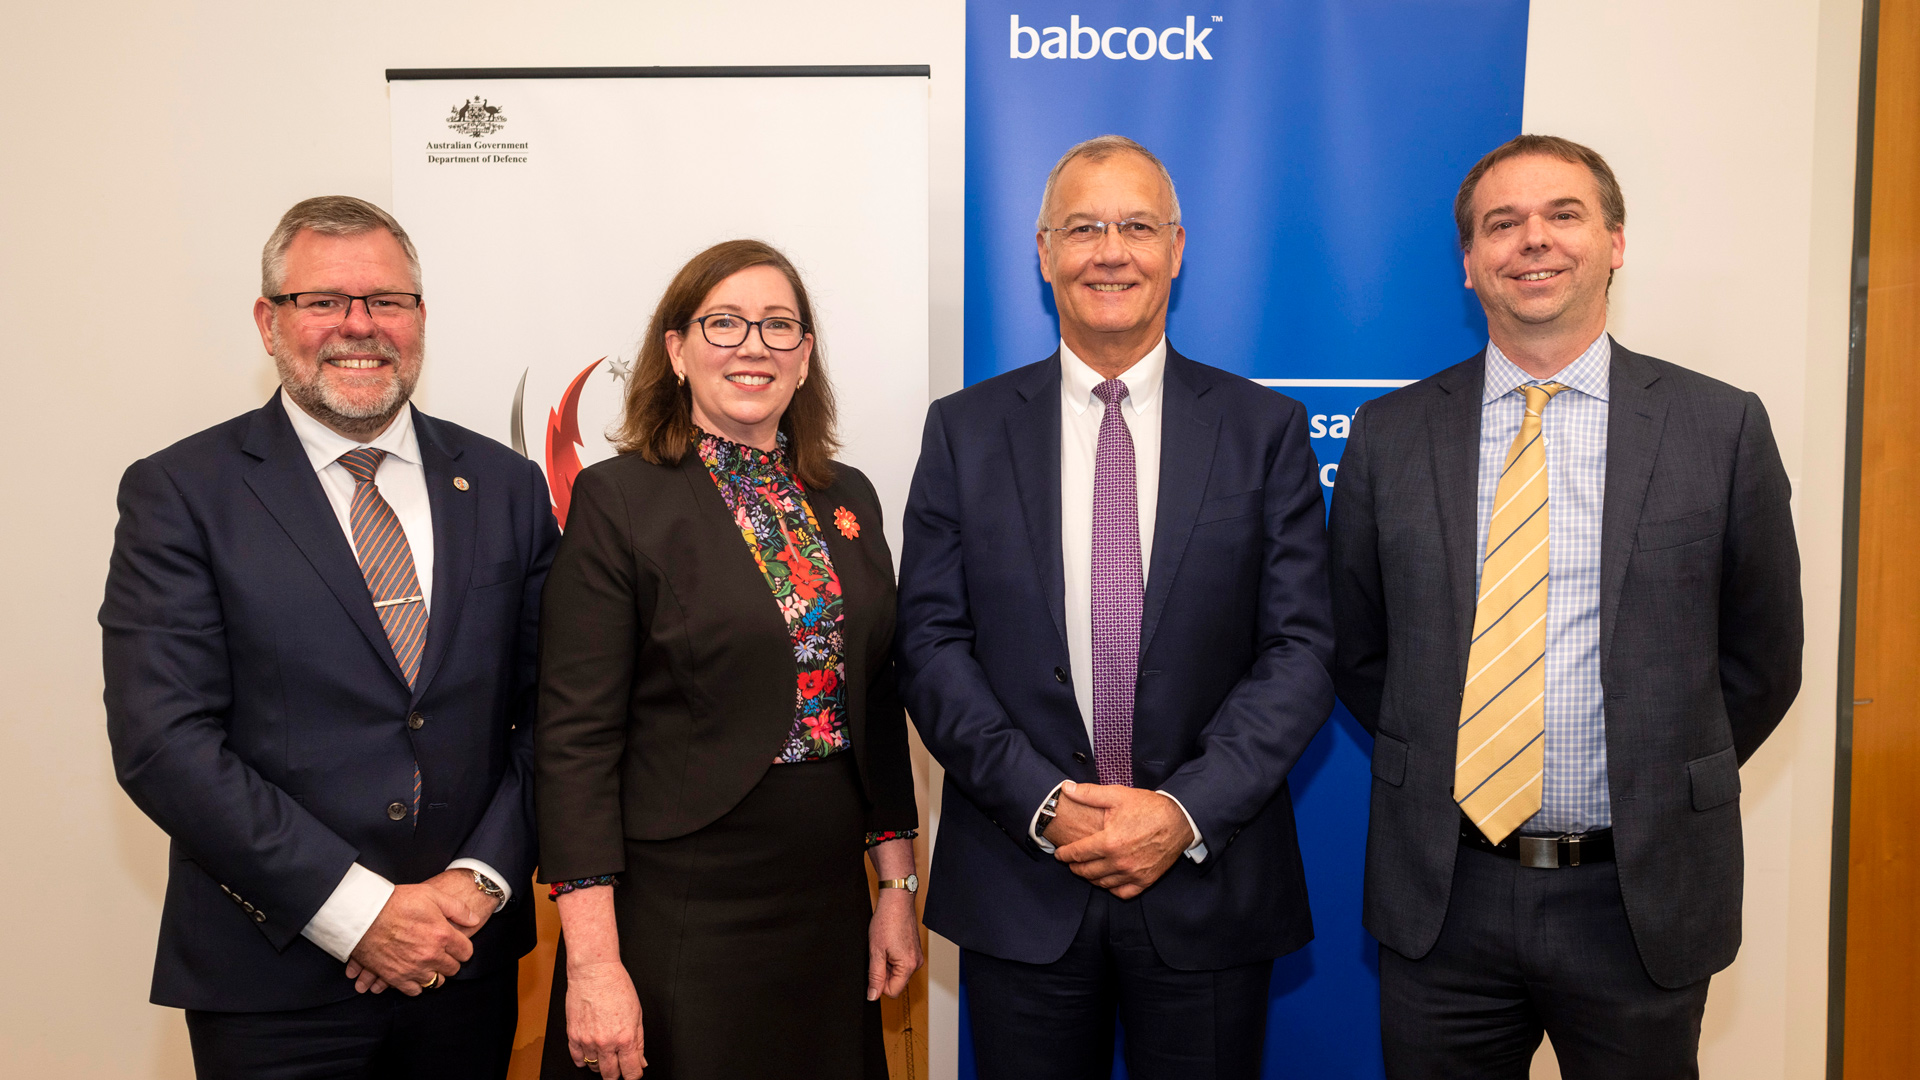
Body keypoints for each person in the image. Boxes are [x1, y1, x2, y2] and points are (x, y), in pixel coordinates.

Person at [1328, 134, 1804, 1079]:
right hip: (1446, 895)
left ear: (1615, 242)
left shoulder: (1721, 427)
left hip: (1638, 896)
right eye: (1501, 225)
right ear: (1470, 265)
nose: (1531, 241)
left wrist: (1659, 773)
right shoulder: (1391, 432)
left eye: (1563, 215)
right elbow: (1358, 649)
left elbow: (1762, 661)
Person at [896, 135, 1336, 1079]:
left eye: (1137, 226)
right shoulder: (964, 432)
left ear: (1177, 247)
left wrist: (1180, 811)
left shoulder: (1265, 432)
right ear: (1044, 252)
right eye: (1084, 228)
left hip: (1208, 880)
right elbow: (931, 647)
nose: (1111, 251)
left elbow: (1300, 650)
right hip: (1025, 880)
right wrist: (1046, 804)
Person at [101, 195, 558, 1078]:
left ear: (420, 318)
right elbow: (163, 741)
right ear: (269, 321)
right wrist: (359, 911)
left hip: (465, 966)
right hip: (271, 980)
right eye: (325, 302)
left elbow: (556, 715)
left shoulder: (506, 486)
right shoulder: (181, 493)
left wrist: (478, 883)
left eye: (387, 301)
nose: (360, 326)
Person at [533, 239, 923, 1080]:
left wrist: (895, 889)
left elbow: (876, 699)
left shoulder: (847, 495)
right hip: (681, 898)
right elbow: (575, 743)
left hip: (823, 895)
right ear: (675, 350)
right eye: (724, 323)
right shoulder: (619, 500)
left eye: (779, 326)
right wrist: (595, 965)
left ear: (806, 355)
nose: (755, 346)